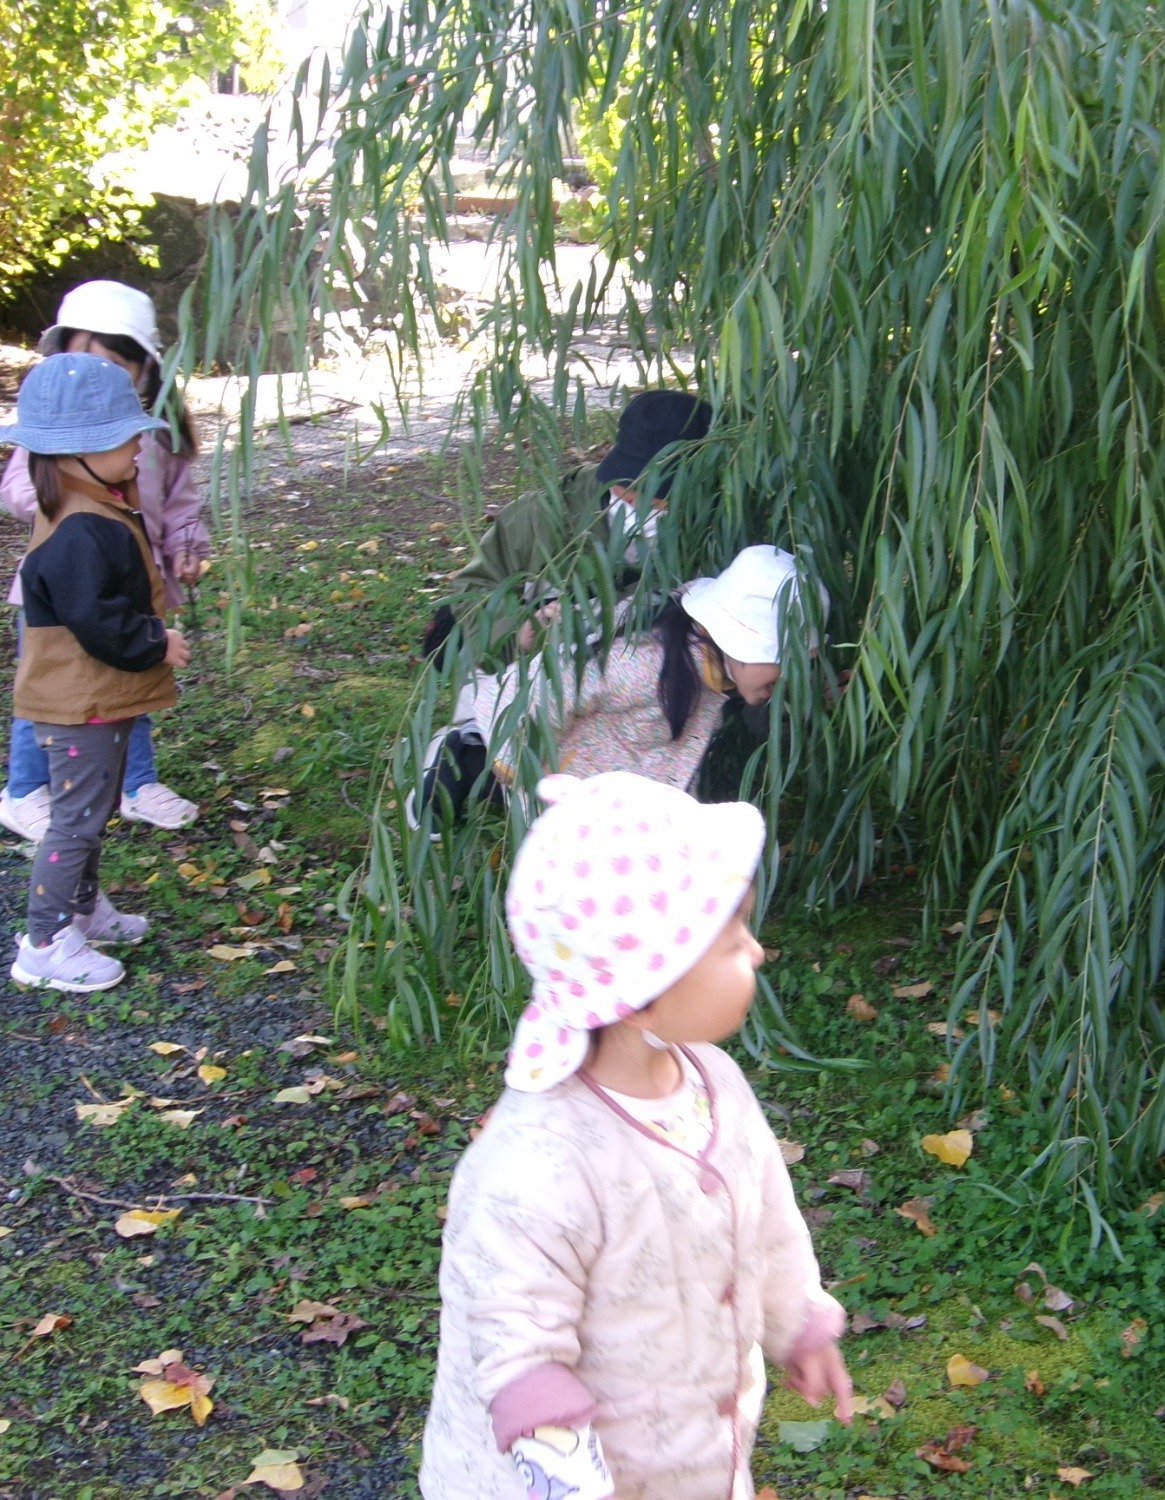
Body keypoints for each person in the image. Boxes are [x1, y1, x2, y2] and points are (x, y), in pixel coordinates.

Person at [419, 770, 852, 1500]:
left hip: (691, 1460)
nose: (758, 952)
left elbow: (769, 1226)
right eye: (731, 938)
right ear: (641, 993)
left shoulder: (718, 1087)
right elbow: (513, 1339)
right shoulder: (536, 1167)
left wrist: (799, 1324)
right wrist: (564, 1476)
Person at [0, 354, 188, 992]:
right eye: (126, 437)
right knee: (75, 819)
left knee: (92, 809)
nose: (139, 446)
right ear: (78, 452)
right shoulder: (80, 528)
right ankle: (45, 942)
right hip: (81, 702)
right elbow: (96, 620)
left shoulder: (92, 505)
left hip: (95, 699)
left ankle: (81, 910)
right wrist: (158, 642)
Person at [406, 544, 821, 837]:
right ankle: (462, 754)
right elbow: (539, 695)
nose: (791, 680)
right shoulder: (639, 666)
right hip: (548, 744)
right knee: (533, 808)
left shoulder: (717, 662)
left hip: (628, 767)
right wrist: (514, 766)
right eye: (785, 664)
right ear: (741, 644)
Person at [0, 280, 207, 841]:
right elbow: (18, 488)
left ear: (142, 371)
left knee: (128, 683)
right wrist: (72, 498)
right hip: (62, 597)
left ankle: (135, 784)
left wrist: (187, 546)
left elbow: (181, 504)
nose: (89, 376)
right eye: (77, 359)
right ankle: (23, 791)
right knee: (50, 688)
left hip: (137, 586)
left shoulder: (156, 436)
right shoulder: (53, 430)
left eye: (108, 364)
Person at [420, 389, 713, 662]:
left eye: (658, 490)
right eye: (628, 482)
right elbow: (475, 590)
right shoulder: (539, 517)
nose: (639, 498)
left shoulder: (714, 526)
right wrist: (517, 633)